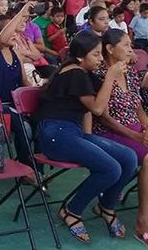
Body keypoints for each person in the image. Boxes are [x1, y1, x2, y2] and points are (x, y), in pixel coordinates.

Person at [36, 31, 136, 243]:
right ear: (81, 56)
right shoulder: (75, 73)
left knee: (128, 157)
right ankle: (72, 210)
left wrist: (116, 72)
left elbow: (91, 108)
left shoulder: (84, 71)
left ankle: (106, 206)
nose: (100, 59)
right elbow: (98, 109)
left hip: (74, 132)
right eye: (96, 55)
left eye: (101, 55)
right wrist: (110, 75)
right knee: (111, 168)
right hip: (55, 134)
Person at [93, 29, 148, 243]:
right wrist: (136, 137)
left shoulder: (129, 72)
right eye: (125, 45)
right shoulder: (99, 74)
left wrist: (145, 126)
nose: (130, 50)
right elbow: (104, 118)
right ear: (110, 49)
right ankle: (143, 220)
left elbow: (138, 106)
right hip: (110, 132)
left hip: (134, 129)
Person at [0, 4, 37, 173]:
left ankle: (37, 168)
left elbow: (24, 83)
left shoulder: (16, 54)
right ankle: (29, 170)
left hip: (13, 106)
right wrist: (20, 12)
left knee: (43, 119)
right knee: (22, 124)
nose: (14, 34)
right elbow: (2, 41)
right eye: (8, 30)